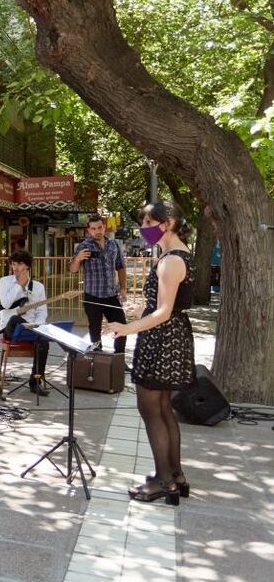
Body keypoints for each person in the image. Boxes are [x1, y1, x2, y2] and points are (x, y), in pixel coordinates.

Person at [105, 201, 195, 504]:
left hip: (162, 341)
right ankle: (176, 475)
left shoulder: (171, 260)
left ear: (166, 223)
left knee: (151, 410)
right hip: (170, 337)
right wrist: (139, 310)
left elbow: (165, 312)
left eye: (147, 224)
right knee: (163, 408)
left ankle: (163, 481)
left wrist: (126, 328)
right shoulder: (178, 255)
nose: (144, 231)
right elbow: (163, 306)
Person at [70, 215, 128, 354]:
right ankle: (97, 357)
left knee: (121, 326)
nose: (97, 231)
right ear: (88, 230)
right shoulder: (84, 246)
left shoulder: (114, 245)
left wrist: (123, 288)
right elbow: (73, 269)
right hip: (92, 296)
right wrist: (77, 259)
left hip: (111, 294)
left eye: (100, 227)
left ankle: (119, 357)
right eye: (93, 228)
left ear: (104, 227)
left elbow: (120, 267)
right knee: (94, 330)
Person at [0, 250, 51, 396]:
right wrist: (19, 286)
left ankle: (35, 382)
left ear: (27, 266)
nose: (15, 268)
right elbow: (6, 304)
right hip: (12, 327)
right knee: (15, 319)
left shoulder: (38, 287)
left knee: (44, 342)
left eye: (19, 264)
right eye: (13, 264)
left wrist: (37, 325)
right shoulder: (5, 281)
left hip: (31, 329)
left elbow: (42, 311)